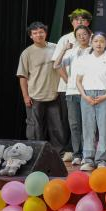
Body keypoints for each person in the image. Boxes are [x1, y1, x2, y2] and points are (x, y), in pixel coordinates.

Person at [51, 9, 93, 163]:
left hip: (88, 91)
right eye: (77, 19)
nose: (82, 36)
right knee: (73, 124)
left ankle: (87, 153)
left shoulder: (94, 47)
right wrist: (69, 80)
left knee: (87, 124)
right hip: (70, 91)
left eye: (83, 20)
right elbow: (56, 64)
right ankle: (75, 153)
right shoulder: (70, 48)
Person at [17, 22, 66, 153]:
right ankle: (37, 151)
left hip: (54, 94)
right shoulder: (27, 53)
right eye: (35, 33)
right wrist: (25, 96)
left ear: (46, 33)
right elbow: (22, 77)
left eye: (41, 32)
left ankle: (58, 152)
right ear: (31, 36)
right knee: (35, 127)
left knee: (57, 126)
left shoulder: (56, 48)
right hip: (35, 96)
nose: (39, 35)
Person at [75, 32, 106, 170]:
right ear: (91, 43)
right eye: (95, 41)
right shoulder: (84, 59)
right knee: (88, 128)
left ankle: (102, 160)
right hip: (87, 95)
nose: (98, 44)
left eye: (101, 41)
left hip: (105, 95)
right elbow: (78, 81)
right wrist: (84, 96)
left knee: (104, 129)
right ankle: (88, 159)